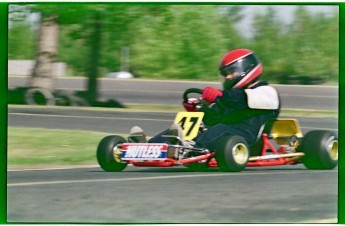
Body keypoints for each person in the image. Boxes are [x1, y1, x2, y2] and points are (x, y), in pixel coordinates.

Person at [129, 48, 281, 152]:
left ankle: (186, 148)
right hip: (224, 133)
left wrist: (220, 96)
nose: (227, 77)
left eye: (231, 72)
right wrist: (199, 110)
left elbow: (240, 99)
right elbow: (217, 115)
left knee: (219, 128)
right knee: (191, 125)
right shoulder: (233, 97)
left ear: (247, 69)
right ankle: (147, 147)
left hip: (244, 137)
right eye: (225, 73)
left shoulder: (266, 92)